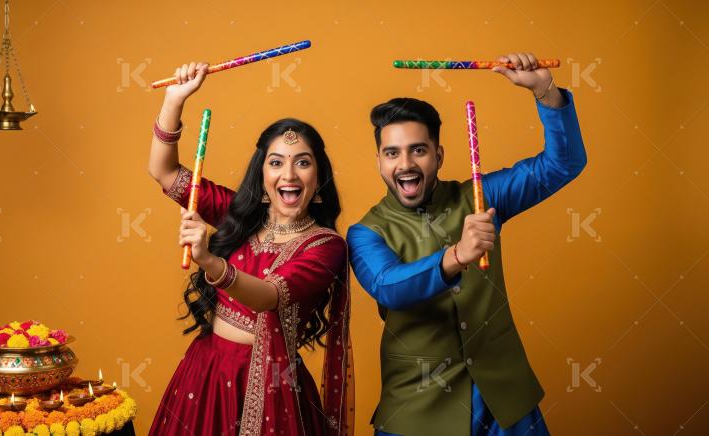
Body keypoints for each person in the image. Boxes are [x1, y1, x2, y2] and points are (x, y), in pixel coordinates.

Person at [347, 52, 587, 435]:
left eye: (418, 150)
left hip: (506, 405)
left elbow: (562, 165)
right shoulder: (365, 233)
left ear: (438, 155)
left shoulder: (480, 196)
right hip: (417, 414)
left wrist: (545, 91)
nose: (405, 164)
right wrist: (456, 256)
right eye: (392, 153)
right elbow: (388, 286)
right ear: (379, 162)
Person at [146, 62, 353, 435]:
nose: (288, 174)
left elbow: (269, 296)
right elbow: (164, 171)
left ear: (318, 178)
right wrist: (174, 100)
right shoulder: (239, 215)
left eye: (302, 163)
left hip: (275, 387)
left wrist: (210, 261)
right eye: (276, 162)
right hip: (206, 375)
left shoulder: (325, 245)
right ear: (262, 175)